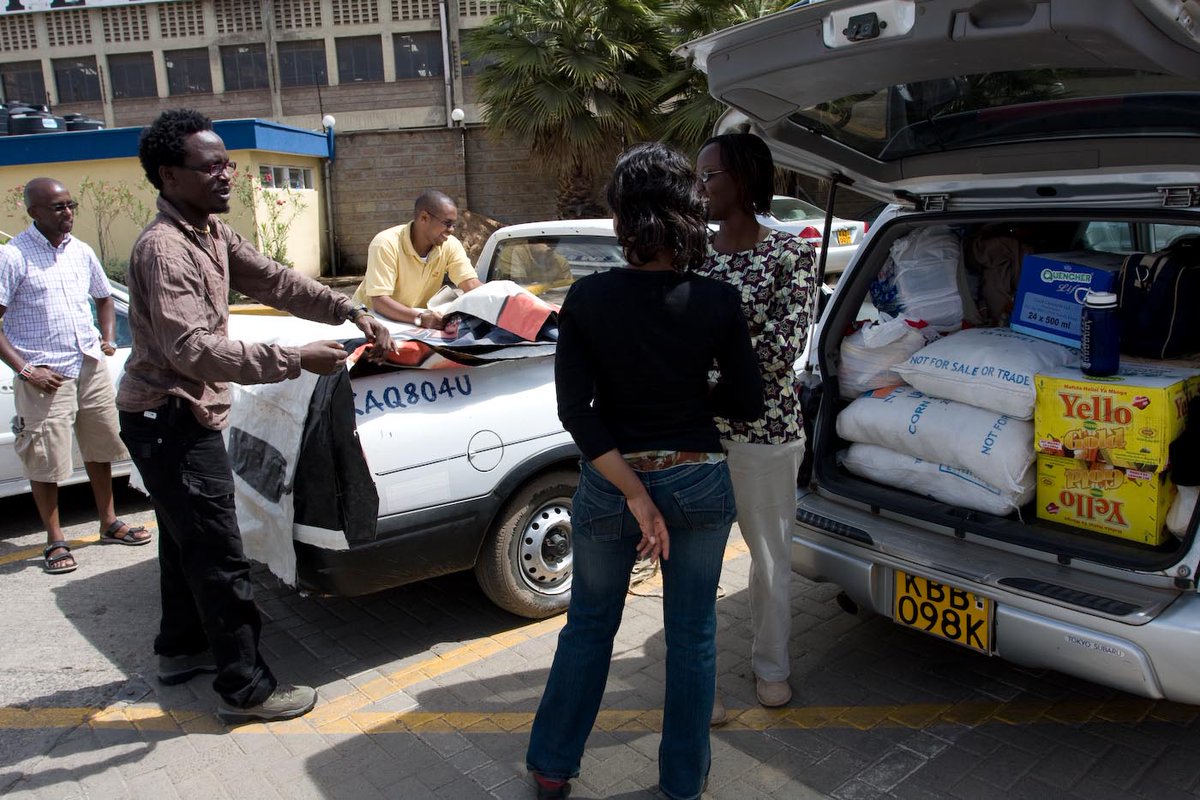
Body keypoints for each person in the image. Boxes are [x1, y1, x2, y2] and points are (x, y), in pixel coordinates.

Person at [117, 109, 395, 724]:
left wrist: (348, 309)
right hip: (171, 419)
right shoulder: (165, 250)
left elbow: (274, 281)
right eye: (211, 166)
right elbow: (193, 350)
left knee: (182, 540)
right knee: (219, 552)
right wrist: (297, 358)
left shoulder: (210, 233)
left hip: (180, 418)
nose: (227, 176)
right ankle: (245, 688)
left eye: (228, 164)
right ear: (170, 175)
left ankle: (180, 648)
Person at [526, 142, 763, 800]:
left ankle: (551, 767)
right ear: (687, 214)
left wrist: (635, 495)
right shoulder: (716, 300)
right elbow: (748, 401)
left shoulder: (590, 298)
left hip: (610, 483)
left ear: (622, 220)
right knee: (692, 635)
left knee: (590, 624)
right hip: (698, 480)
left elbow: (576, 410)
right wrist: (690, 400)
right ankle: (683, 782)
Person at [693, 133, 817, 716]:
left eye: (709, 176)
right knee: (699, 563)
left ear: (741, 178)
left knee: (768, 560)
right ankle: (703, 681)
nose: (701, 188)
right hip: (698, 433)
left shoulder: (791, 253)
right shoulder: (695, 254)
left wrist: (706, 356)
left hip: (766, 434)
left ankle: (771, 667)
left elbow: (783, 346)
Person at [0, 177, 152, 575]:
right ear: (33, 212)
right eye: (57, 207)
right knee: (45, 461)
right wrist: (26, 369)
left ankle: (109, 522)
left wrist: (105, 338)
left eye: (71, 205)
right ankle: (55, 540)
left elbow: (104, 297)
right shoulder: (13, 257)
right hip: (46, 375)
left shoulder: (80, 251)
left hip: (89, 365)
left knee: (101, 448)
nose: (67, 213)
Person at [351, 190, 482, 330]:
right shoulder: (386, 243)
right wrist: (420, 319)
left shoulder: (450, 245)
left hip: (413, 325)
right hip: (369, 322)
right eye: (447, 223)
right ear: (424, 218)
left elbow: (471, 285)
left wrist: (500, 298)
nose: (451, 230)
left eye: (453, 225)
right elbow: (379, 301)